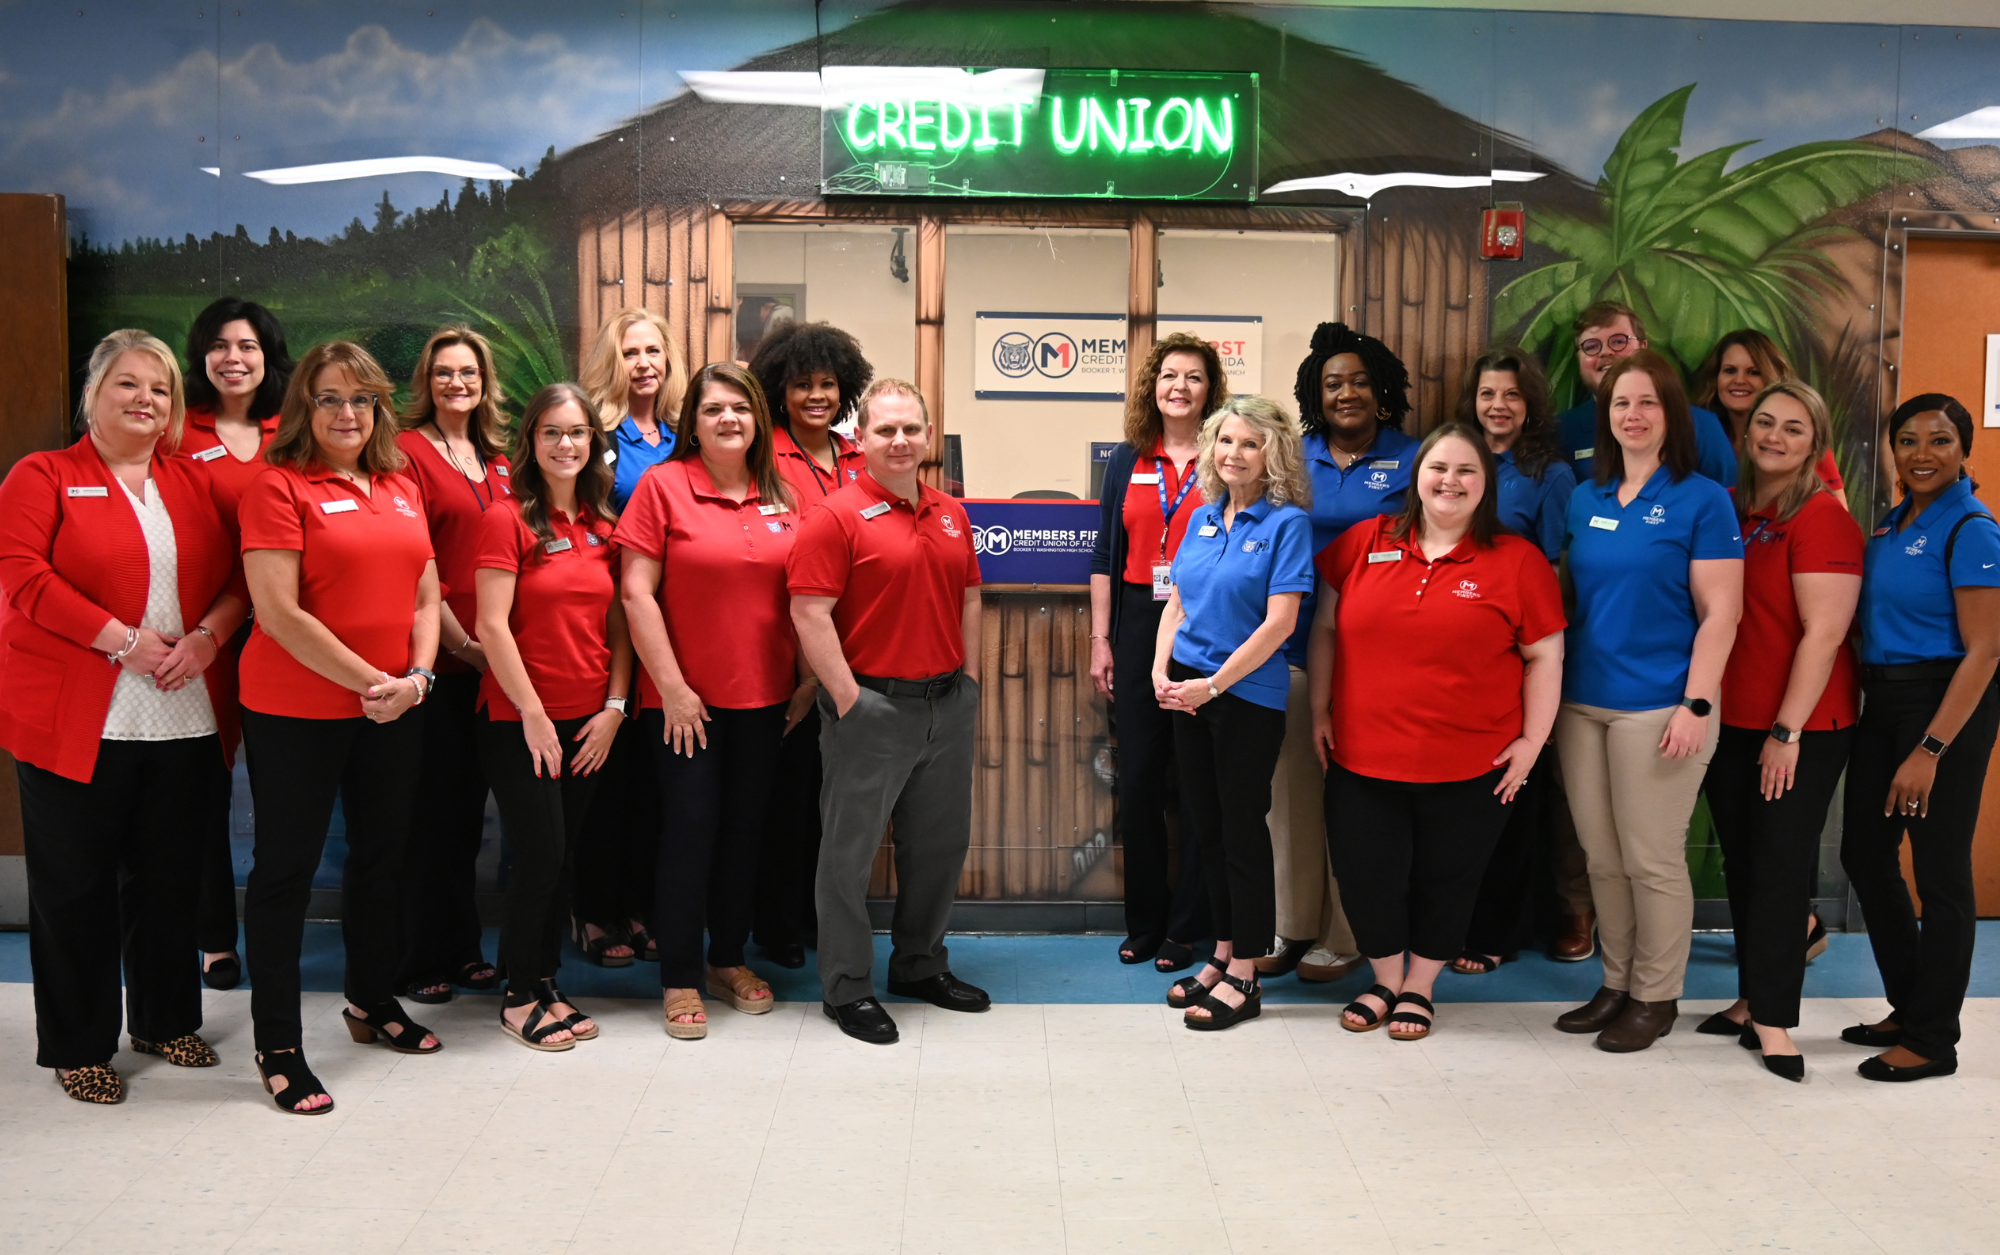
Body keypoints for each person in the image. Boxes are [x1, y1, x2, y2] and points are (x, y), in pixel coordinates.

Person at [0, 330, 248, 1103]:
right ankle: (77, 1043)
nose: (146, 400)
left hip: (184, 716)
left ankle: (164, 1018)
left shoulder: (193, 482)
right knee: (73, 890)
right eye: (129, 385)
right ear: (94, 394)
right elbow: (20, 576)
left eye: (162, 389)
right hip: (79, 719)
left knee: (171, 881)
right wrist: (125, 643)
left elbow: (244, 576)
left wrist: (208, 638)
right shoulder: (43, 475)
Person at [237, 341, 444, 1115]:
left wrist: (417, 680)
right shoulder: (277, 486)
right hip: (298, 708)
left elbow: (428, 595)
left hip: (395, 706)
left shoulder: (398, 482)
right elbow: (280, 613)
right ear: (304, 407)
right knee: (285, 870)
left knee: (383, 856)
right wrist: (375, 682)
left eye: (360, 399)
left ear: (380, 407)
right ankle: (280, 1043)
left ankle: (371, 1001)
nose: (347, 413)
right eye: (329, 398)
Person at [1308, 424, 1565, 1039]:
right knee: (1364, 874)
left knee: (1448, 879)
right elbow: (1325, 629)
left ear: (1486, 485)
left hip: (1472, 761)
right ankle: (1385, 979)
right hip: (1361, 753)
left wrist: (1531, 743)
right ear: (1416, 475)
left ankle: (1419, 986)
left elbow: (1545, 658)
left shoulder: (1517, 561)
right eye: (1438, 469)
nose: (1449, 481)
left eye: (1465, 471)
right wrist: (1319, 711)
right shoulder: (1363, 542)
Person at [788, 378, 989, 1045]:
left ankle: (920, 964)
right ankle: (847, 987)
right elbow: (808, 612)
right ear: (860, 439)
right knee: (846, 856)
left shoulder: (952, 513)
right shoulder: (836, 515)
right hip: (871, 706)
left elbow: (969, 595)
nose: (899, 440)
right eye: (885, 430)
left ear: (929, 436)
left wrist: (971, 680)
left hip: (946, 705)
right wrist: (847, 697)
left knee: (939, 847)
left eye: (911, 428)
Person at [1554, 350, 1743, 1053]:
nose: (1633, 415)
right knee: (1601, 857)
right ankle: (1617, 980)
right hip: (1584, 703)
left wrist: (1697, 704)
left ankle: (1656, 994)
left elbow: (1721, 613)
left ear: (1673, 415)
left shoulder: (1702, 498)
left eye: (1648, 403)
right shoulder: (1586, 495)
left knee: (1651, 857)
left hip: (1661, 704)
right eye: (1621, 403)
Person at [619, 363, 805, 1038]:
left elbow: (807, 598)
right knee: (690, 832)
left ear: (758, 419)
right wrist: (671, 687)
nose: (729, 419)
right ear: (691, 423)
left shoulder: (781, 493)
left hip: (767, 700)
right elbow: (636, 592)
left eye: (741, 408)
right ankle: (679, 975)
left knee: (744, 832)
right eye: (713, 409)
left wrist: (808, 681)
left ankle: (728, 959)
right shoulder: (663, 487)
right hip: (682, 706)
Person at [1696, 381, 1861, 1081]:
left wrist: (1786, 732)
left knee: (1781, 866)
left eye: (1794, 428)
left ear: (1814, 442)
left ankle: (1775, 1020)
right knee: (1744, 859)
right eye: (1765, 422)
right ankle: (1750, 993)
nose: (1774, 436)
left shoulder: (1822, 519)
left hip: (1798, 726)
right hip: (1732, 719)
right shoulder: (1737, 509)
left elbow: (1824, 634)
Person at [1840, 393, 2000, 1082]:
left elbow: (1987, 649)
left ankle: (1935, 1038)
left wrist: (1930, 750)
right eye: (1907, 441)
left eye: (1939, 440)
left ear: (1964, 448)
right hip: (1885, 698)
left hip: (1944, 705)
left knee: (1939, 875)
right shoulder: (1892, 520)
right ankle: (1911, 1003)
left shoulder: (1972, 528)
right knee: (1864, 853)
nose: (1922, 454)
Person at [475, 382, 632, 1051]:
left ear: (593, 442)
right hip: (521, 722)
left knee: (563, 857)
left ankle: (545, 980)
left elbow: (621, 625)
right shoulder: (506, 518)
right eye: (551, 433)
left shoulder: (604, 522)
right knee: (538, 855)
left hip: (590, 722)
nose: (565, 444)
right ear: (530, 443)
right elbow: (490, 624)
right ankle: (518, 994)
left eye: (576, 433)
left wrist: (615, 710)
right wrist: (533, 714)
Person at [1153, 395, 1314, 1032]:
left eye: (1250, 444)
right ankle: (1222, 952)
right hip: (1188, 690)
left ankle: (1247, 972)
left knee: (1244, 832)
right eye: (1225, 442)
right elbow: (1177, 603)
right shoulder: (1202, 518)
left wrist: (1213, 686)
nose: (1234, 454)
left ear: (1272, 452)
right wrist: (1162, 671)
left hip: (1244, 696)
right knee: (1208, 829)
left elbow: (1280, 623)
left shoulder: (1287, 524)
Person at [1270, 322, 1414, 985]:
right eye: (1332, 383)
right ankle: (1292, 924)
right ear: (1314, 395)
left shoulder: (1414, 461)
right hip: (1294, 652)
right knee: (1290, 799)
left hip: (1374, 663)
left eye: (1359, 381)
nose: (1345, 392)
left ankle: (1347, 932)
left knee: (1355, 806)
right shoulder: (1291, 459)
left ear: (1383, 394)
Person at [1088, 333, 1226, 972]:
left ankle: (1188, 926)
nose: (1180, 387)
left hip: (1207, 622)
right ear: (1152, 385)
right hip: (1141, 620)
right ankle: (1144, 921)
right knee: (1140, 780)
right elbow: (1103, 557)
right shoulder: (1126, 458)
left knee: (1200, 783)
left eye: (1194, 377)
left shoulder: (1225, 455)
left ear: (1210, 390)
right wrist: (1102, 640)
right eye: (1169, 375)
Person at [1450, 349, 1580, 976]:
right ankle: (1453, 922)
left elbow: (1557, 567)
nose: (1497, 406)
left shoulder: (1549, 473)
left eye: (1511, 395)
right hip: (1455, 654)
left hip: (1518, 653)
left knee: (1511, 793)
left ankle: (1498, 930)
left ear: (1530, 404)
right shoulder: (1454, 461)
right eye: (1486, 394)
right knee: (1459, 799)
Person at [747, 321, 873, 969]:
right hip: (785, 652)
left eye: (827, 383)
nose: (816, 396)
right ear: (780, 390)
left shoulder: (860, 455)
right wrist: (804, 674)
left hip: (854, 652)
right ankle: (778, 924)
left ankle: (825, 914)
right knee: (788, 800)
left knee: (839, 799)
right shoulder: (762, 455)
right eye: (802, 385)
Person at [179, 297, 292, 993]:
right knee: (204, 782)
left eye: (246, 345)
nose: (233, 358)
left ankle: (276, 926)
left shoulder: (294, 432)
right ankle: (213, 936)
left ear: (267, 355)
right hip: (206, 629)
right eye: (219, 346)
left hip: (284, 625)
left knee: (283, 786)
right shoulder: (176, 431)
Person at [394, 326, 511, 1003]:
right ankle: (419, 957)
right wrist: (463, 644)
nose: (456, 382)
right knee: (427, 820)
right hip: (438, 661)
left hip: (488, 666)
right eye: (443, 371)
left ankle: (464, 946)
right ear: (426, 380)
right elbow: (417, 562)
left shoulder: (496, 457)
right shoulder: (408, 452)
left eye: (468, 371)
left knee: (467, 819)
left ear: (484, 380)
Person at [571, 308, 690, 966]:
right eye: (630, 351)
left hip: (674, 622)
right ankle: (593, 910)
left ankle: (640, 906)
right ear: (611, 361)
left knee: (652, 778)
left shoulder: (681, 434)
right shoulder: (597, 432)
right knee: (606, 780)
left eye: (653, 350)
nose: (643, 362)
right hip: (608, 615)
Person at [1555, 301, 1736, 488]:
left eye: (1618, 341)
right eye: (1591, 346)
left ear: (1644, 347)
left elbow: (1727, 503)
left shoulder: (1702, 426)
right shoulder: (1561, 433)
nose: (1605, 352)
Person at [1691, 330, 1847, 508]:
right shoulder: (1703, 434)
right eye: (1730, 370)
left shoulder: (1803, 444)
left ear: (1771, 377)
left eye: (1753, 372)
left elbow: (1840, 513)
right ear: (1715, 378)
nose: (1739, 380)